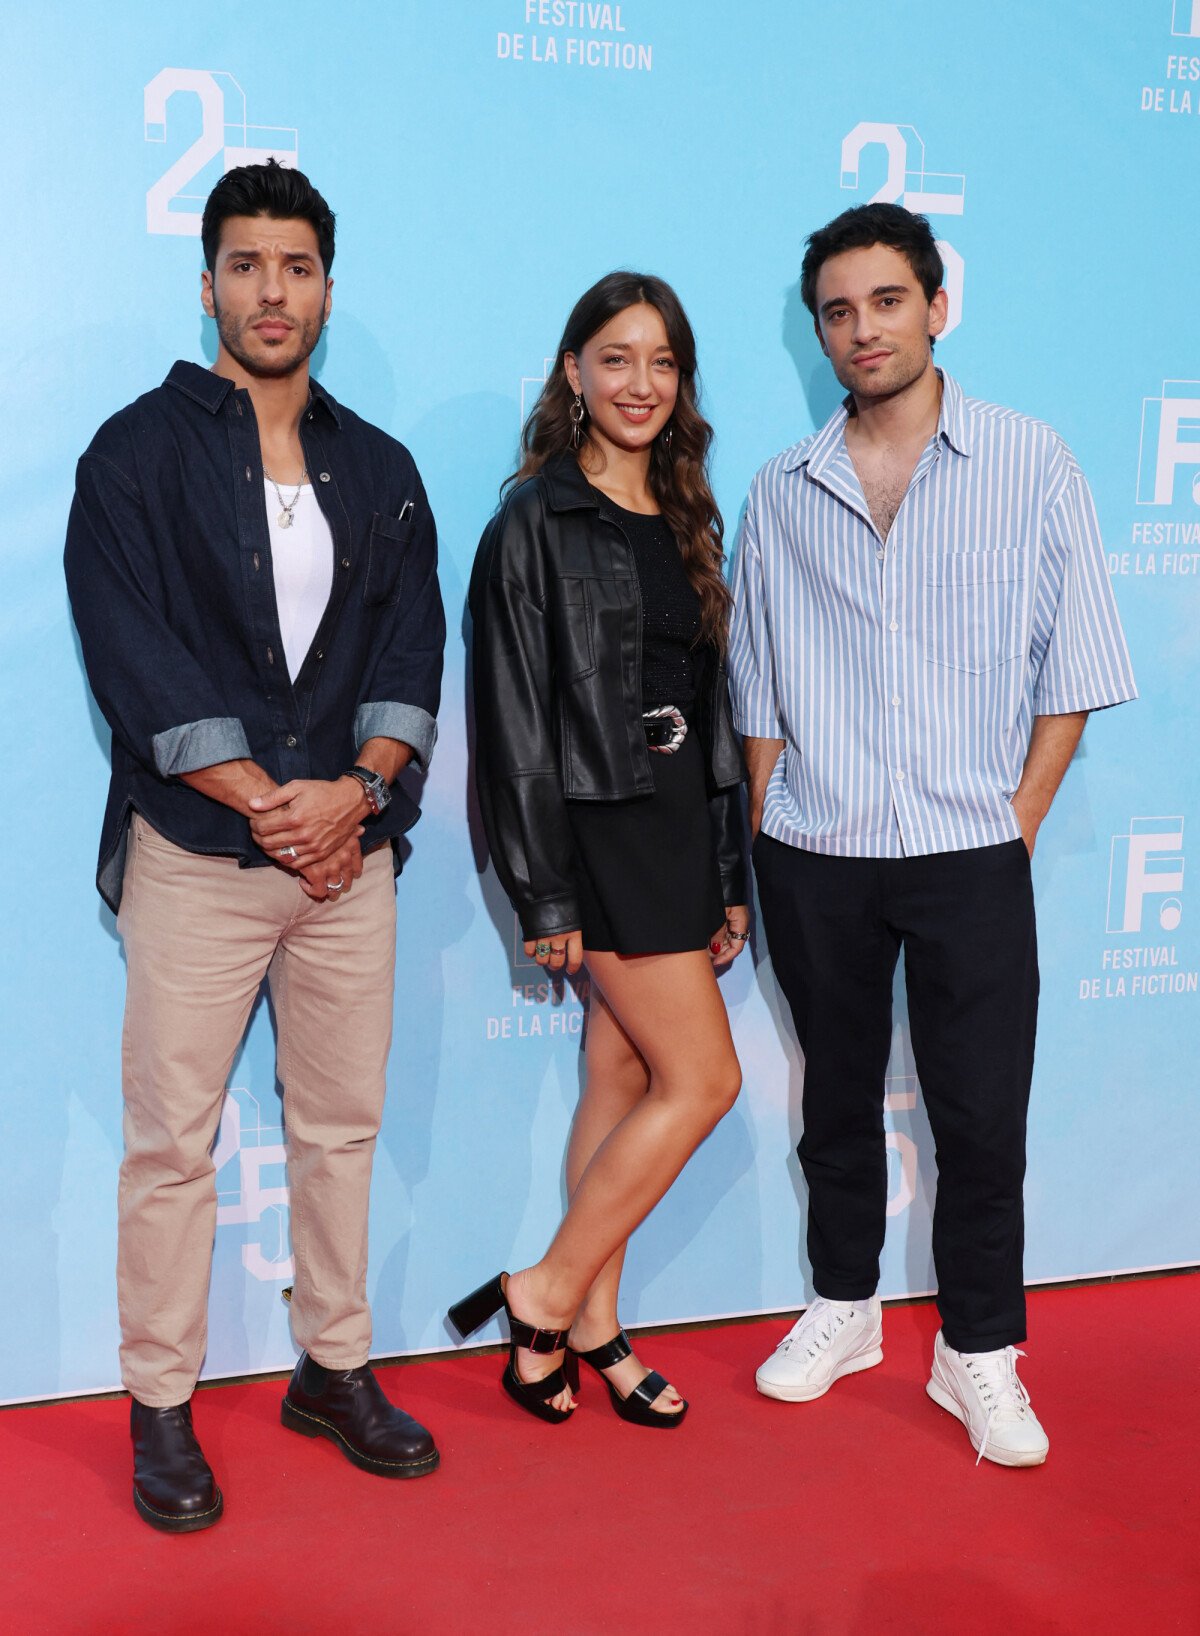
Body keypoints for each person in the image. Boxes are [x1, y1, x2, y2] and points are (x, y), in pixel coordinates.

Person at [64, 161, 445, 1531]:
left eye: (296, 266)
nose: (271, 291)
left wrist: (353, 794)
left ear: (327, 288)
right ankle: (160, 1405)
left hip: (349, 867)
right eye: (246, 265)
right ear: (209, 281)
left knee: (339, 1131)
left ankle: (331, 1368)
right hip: (198, 856)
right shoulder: (133, 455)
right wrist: (276, 804)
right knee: (173, 1142)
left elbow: (412, 648)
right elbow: (135, 658)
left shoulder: (381, 466)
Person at [730, 203, 1135, 1467]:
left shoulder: (1030, 459)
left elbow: (1075, 667)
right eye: (839, 312)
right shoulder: (780, 491)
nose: (864, 329)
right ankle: (844, 1308)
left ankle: (979, 1352)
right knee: (835, 1101)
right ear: (820, 334)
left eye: (887, 300)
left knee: (979, 1116)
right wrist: (772, 815)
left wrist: (1011, 826)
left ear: (936, 306)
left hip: (970, 848)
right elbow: (756, 681)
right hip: (818, 851)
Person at [452, 272, 748, 1427]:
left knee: (622, 1075)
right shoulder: (532, 518)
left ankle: (589, 1329)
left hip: (678, 823)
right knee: (706, 1078)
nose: (640, 382)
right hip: (598, 830)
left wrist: (728, 873)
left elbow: (709, 705)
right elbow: (513, 720)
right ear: (573, 372)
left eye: (663, 361)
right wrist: (542, 891)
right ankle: (544, 1287)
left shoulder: (686, 511)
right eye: (615, 357)